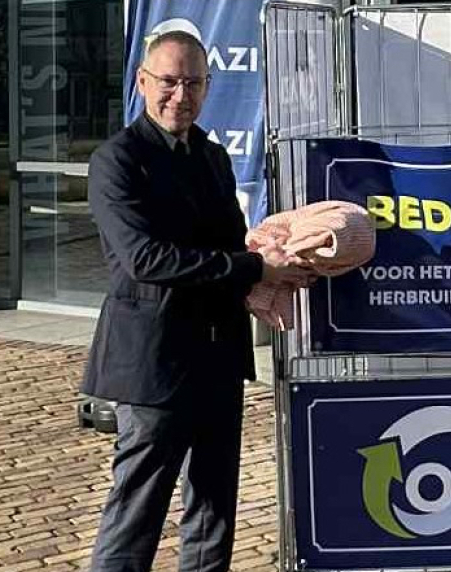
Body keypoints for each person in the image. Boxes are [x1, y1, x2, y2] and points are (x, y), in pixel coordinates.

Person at [82, 30, 311, 572]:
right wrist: (256, 267)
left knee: (213, 513)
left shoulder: (212, 157)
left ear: (208, 87)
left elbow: (231, 245)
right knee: (135, 515)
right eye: (169, 81)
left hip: (218, 359)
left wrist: (279, 251)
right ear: (142, 83)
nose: (180, 95)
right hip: (153, 367)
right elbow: (145, 260)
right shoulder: (117, 161)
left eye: (193, 83)